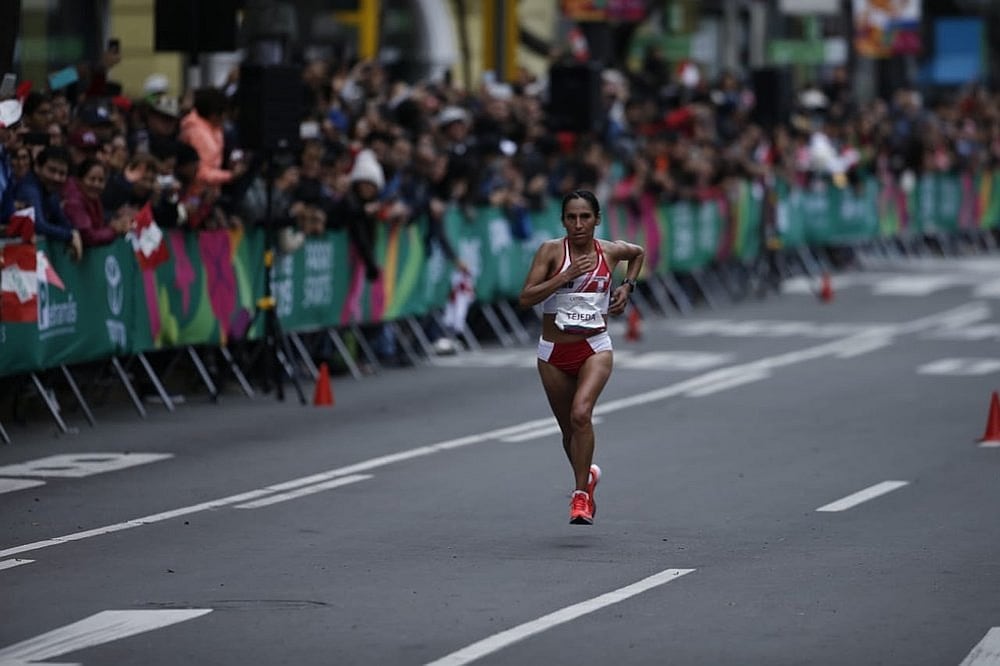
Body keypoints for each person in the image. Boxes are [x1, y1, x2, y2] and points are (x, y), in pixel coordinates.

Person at [518, 189, 645, 525]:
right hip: (553, 352)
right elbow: (525, 298)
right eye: (571, 217)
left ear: (597, 219)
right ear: (563, 221)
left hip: (594, 347)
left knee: (581, 414)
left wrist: (627, 287)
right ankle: (587, 476)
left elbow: (639, 253)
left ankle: (580, 498)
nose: (578, 224)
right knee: (568, 433)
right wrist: (564, 277)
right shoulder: (550, 252)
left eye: (585, 217)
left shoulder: (610, 251)